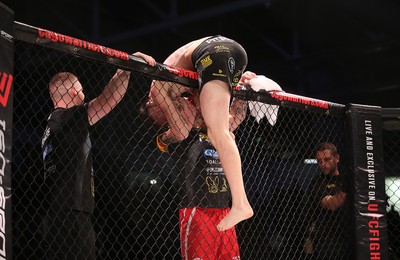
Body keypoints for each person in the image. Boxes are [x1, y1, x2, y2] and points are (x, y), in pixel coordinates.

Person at [40, 52, 156, 260]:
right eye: (82, 90)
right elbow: (108, 100)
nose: (84, 95)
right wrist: (126, 67)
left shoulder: (52, 124)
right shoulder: (68, 118)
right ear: (75, 91)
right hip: (72, 216)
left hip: (58, 215)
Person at [149, 35, 254, 231]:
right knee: (220, 132)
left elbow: (180, 129)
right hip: (232, 53)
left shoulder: (157, 89)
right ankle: (240, 203)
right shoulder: (186, 86)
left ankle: (241, 204)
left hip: (213, 53)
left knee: (219, 133)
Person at [147, 72, 252, 259]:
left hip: (226, 210)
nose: (194, 104)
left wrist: (243, 85)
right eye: (190, 101)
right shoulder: (177, 135)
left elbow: (238, 114)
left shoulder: (218, 132)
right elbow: (173, 106)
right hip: (197, 211)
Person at [304, 142, 353, 260]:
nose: (323, 164)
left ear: (337, 158)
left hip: (353, 233)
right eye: (319, 161)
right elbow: (332, 204)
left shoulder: (346, 176)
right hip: (330, 239)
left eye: (327, 159)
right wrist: (347, 187)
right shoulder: (317, 183)